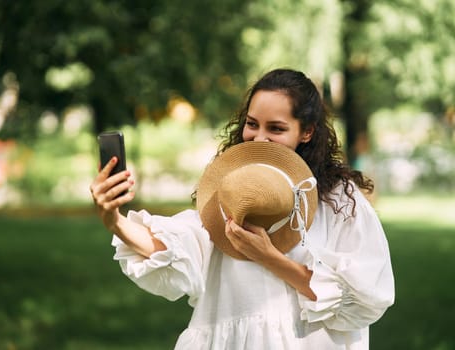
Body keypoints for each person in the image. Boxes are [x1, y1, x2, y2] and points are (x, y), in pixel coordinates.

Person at [90, 68, 395, 349]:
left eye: (276, 128)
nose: (259, 138)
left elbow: (363, 299)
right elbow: (175, 244)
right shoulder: (228, 189)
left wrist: (268, 257)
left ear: (307, 132)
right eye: (252, 124)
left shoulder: (339, 200)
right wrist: (114, 220)